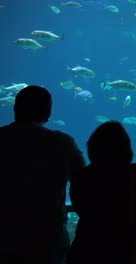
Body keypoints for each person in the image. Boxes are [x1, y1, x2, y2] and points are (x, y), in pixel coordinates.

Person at [0, 85, 85, 264]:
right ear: (48, 113)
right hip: (48, 239)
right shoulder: (62, 143)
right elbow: (84, 185)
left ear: (15, 109)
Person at [68, 121, 135, 264]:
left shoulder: (81, 177)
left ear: (92, 147)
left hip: (88, 247)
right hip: (126, 247)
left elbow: (81, 210)